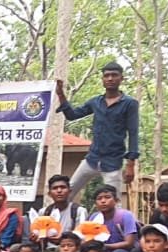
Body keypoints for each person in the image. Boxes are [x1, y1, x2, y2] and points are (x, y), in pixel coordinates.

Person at [55, 61, 140, 200]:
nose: (110, 79)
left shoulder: (129, 103)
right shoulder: (96, 102)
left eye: (114, 75)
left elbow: (133, 133)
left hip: (113, 161)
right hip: (92, 159)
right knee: (66, 194)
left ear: (121, 79)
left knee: (113, 201)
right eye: (107, 76)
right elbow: (72, 115)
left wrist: (131, 164)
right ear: (103, 79)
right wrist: (60, 95)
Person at [32, 175, 88, 252]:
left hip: (68, 250)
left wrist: (62, 239)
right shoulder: (44, 212)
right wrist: (36, 238)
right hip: (47, 249)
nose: (59, 191)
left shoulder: (79, 211)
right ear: (49, 194)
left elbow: (82, 237)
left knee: (61, 250)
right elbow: (38, 235)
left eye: (63, 187)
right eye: (55, 188)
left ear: (69, 191)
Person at [86, 185, 139, 252]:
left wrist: (105, 246)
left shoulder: (125, 215)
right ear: (96, 203)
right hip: (101, 250)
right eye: (99, 198)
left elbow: (129, 243)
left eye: (107, 197)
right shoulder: (94, 217)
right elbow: (89, 238)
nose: (103, 201)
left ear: (116, 201)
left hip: (123, 251)